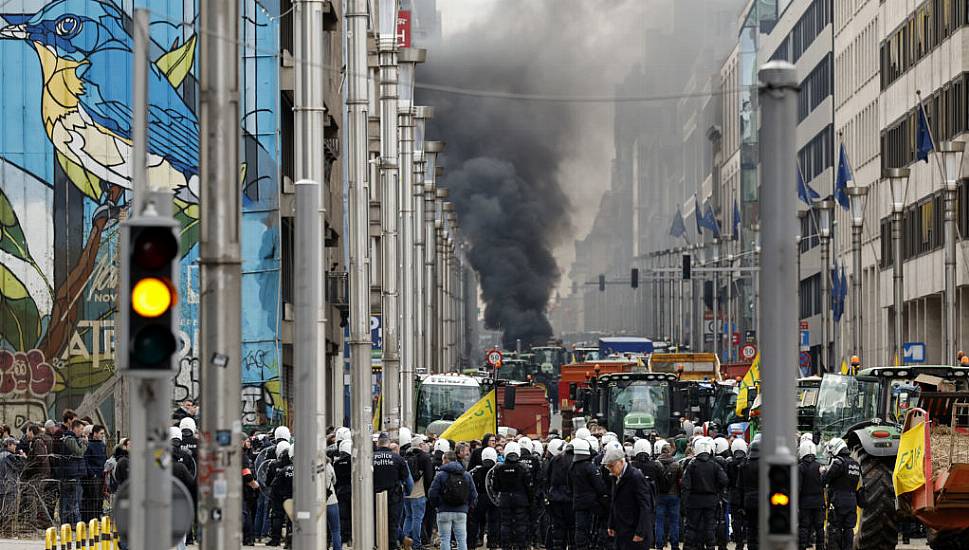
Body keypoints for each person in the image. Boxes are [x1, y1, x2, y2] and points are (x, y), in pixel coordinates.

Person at [603, 445, 653, 550]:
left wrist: (641, 532)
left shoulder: (636, 477)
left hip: (634, 531)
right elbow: (614, 502)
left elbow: (645, 506)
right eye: (608, 467)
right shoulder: (615, 477)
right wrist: (611, 524)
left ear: (621, 462)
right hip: (621, 530)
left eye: (611, 466)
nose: (610, 470)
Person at [682, 437, 728, 550]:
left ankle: (688, 547)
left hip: (694, 500)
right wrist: (716, 487)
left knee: (692, 526)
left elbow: (685, 484)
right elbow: (724, 480)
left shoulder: (691, 465)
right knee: (710, 526)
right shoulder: (714, 465)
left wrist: (685, 501)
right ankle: (711, 547)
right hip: (711, 500)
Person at [429, 451, 478, 550]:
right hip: (461, 511)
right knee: (461, 540)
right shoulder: (466, 474)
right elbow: (474, 494)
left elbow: (432, 493)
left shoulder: (440, 475)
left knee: (445, 539)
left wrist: (437, 506)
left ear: (446, 460)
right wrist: (467, 506)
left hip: (443, 511)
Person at [373, 432, 413, 550]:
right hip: (394, 497)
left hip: (373, 497)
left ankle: (377, 545)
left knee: (374, 523)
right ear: (388, 443)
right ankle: (392, 546)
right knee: (393, 524)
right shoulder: (398, 459)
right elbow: (408, 480)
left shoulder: (370, 458)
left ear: (377, 444)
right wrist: (408, 493)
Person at [821, 438, 861, 550]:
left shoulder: (838, 463)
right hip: (852, 502)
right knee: (849, 529)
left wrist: (823, 471)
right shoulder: (855, 464)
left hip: (838, 502)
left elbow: (824, 480)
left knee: (835, 529)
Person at [491, 442, 533, 550]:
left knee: (505, 524)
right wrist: (530, 500)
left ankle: (506, 546)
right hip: (521, 500)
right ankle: (521, 545)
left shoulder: (499, 468)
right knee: (521, 524)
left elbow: (495, 486)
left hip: (505, 499)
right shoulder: (523, 467)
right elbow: (529, 486)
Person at [569, 437, 608, 549]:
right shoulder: (590, 467)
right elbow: (599, 486)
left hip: (578, 502)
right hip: (592, 503)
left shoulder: (572, 467)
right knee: (592, 528)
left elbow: (569, 484)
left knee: (580, 529)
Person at [404, 435, 434, 550]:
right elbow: (429, 477)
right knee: (418, 519)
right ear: (421, 445)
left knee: (408, 517)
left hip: (407, 492)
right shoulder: (424, 457)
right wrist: (427, 494)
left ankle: (405, 540)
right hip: (419, 492)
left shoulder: (406, 455)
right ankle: (416, 544)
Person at [544, 439, 573, 550]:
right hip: (569, 499)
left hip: (555, 498)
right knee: (572, 528)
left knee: (558, 528)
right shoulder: (574, 460)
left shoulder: (555, 460)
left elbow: (548, 478)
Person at [654, 440, 682, 550]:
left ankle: (659, 545)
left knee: (659, 521)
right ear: (670, 451)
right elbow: (680, 480)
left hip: (659, 495)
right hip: (674, 495)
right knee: (674, 522)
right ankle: (674, 545)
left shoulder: (656, 464)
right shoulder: (676, 464)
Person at [59, 419, 88, 527]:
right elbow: (79, 452)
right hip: (70, 474)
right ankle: (71, 523)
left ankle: (71, 522)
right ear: (75, 428)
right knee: (71, 501)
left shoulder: (74, 439)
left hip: (75, 473)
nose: (82, 432)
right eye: (81, 429)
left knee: (74, 501)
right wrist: (85, 444)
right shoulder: (69, 439)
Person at [470, 446, 500, 548]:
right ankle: (493, 543)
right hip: (493, 498)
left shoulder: (476, 470)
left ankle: (472, 543)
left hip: (479, 498)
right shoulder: (497, 469)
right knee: (494, 522)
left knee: (475, 521)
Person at [797, 440, 823, 550]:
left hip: (805, 502)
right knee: (819, 527)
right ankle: (820, 546)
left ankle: (802, 546)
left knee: (804, 526)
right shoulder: (820, 466)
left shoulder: (800, 467)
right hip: (818, 502)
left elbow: (798, 487)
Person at [266, 440, 293, 547]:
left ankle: (275, 539)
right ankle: (289, 541)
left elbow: (268, 482)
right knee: (291, 519)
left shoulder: (273, 464)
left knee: (276, 516)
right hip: (291, 495)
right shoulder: (293, 467)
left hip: (277, 495)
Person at [82, 425, 107, 522]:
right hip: (94, 475)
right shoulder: (89, 445)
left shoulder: (102, 445)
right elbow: (86, 460)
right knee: (93, 497)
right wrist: (92, 473)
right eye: (101, 433)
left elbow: (104, 458)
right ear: (95, 433)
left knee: (100, 497)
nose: (102, 435)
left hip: (101, 474)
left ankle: (98, 515)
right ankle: (92, 518)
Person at [738, 439, 760, 550]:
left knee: (751, 528)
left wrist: (741, 505)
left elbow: (740, 487)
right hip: (763, 501)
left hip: (748, 500)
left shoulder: (744, 464)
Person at [726, 439, 748, 550]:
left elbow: (727, 481)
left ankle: (739, 541)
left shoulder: (730, 464)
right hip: (746, 493)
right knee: (748, 518)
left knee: (736, 519)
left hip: (734, 493)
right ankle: (745, 537)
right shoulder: (748, 463)